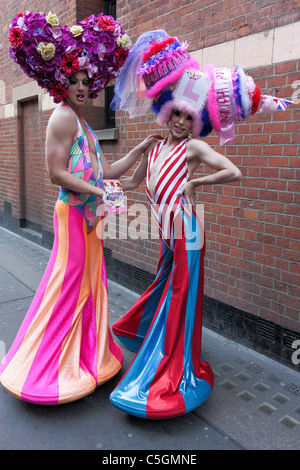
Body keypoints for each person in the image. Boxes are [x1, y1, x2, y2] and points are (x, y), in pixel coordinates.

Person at [108, 30, 290, 419]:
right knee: (165, 288)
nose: (179, 121)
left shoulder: (193, 148)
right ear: (167, 112)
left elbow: (233, 170)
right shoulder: (156, 145)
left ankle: (174, 364)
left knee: (179, 295)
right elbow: (135, 182)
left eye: (187, 118)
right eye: (175, 114)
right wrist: (100, 186)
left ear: (196, 122)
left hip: (187, 233)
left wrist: (196, 182)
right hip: (166, 234)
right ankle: (157, 342)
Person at [0, 12, 161, 405]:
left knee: (91, 285)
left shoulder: (83, 124)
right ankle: (46, 364)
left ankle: (85, 355)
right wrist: (98, 191)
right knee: (69, 284)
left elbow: (105, 171)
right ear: (60, 82)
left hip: (90, 216)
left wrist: (137, 152)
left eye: (86, 82)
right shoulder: (61, 118)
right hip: (72, 215)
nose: (81, 87)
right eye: (73, 81)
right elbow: (55, 174)